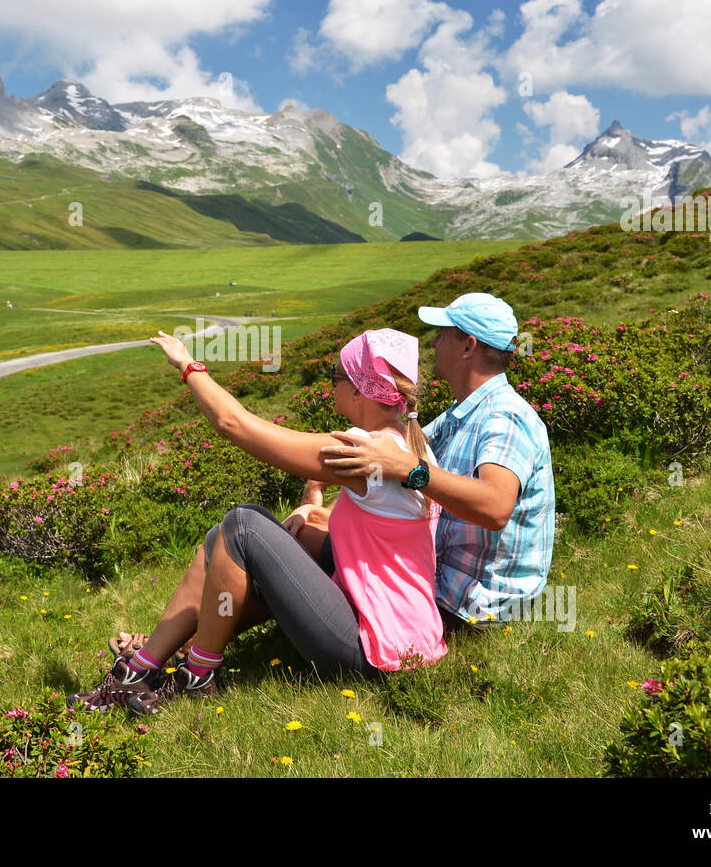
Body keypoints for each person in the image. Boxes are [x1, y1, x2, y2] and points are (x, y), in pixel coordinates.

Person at [69, 328, 445, 715]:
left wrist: (187, 365)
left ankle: (198, 676)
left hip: (371, 649)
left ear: (359, 390)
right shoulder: (409, 446)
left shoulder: (365, 452)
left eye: (337, 375)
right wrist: (313, 508)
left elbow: (236, 425)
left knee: (243, 525)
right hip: (402, 637)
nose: (331, 384)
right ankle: (139, 670)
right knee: (220, 538)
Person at [319, 293, 555, 629]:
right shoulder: (463, 413)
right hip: (453, 584)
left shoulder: (505, 418)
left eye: (442, 334)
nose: (434, 341)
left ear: (468, 346)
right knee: (317, 535)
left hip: (474, 606)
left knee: (292, 547)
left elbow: (495, 506)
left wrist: (411, 471)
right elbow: (396, 445)